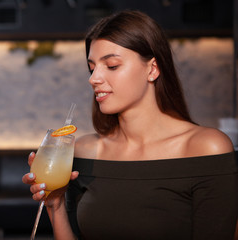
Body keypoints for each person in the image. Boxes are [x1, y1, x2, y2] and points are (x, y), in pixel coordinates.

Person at [22, 10, 238, 240]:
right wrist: (55, 207)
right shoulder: (86, 150)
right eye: (92, 67)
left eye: (112, 66)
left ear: (152, 69)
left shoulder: (206, 147)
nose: (93, 78)